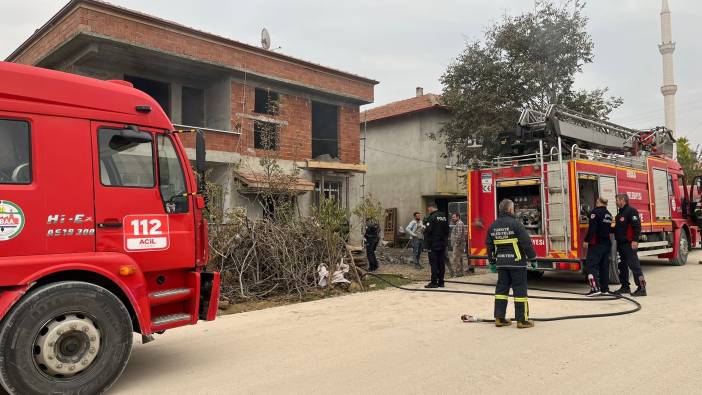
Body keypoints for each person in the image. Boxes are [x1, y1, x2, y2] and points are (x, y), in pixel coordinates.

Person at [486, 199, 537, 328]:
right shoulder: (516, 224)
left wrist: (492, 261)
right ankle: (522, 320)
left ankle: (499, 318)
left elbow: (489, 245)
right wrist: (533, 258)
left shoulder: (493, 226)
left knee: (501, 290)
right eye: (513, 208)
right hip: (517, 263)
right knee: (520, 290)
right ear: (510, 210)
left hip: (501, 263)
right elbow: (526, 243)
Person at [613, 194, 647, 296]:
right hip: (621, 244)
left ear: (622, 200)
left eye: (617, 200)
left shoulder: (631, 211)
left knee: (634, 266)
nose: (616, 202)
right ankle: (625, 287)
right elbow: (617, 229)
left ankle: (642, 288)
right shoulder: (619, 214)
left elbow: (637, 226)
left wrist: (635, 240)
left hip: (629, 244)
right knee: (622, 266)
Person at [583, 197, 613, 296]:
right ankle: (605, 289)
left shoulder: (595, 213)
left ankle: (595, 289)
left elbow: (592, 229)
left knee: (591, 266)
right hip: (607, 244)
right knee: (604, 267)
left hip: (597, 244)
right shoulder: (609, 214)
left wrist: (586, 240)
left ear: (598, 202)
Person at [423, 202, 450, 288]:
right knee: (441, 263)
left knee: (434, 264)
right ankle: (441, 282)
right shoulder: (443, 216)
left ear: (431, 208)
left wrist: (426, 245)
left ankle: (434, 282)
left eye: (428, 209)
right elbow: (447, 231)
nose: (428, 211)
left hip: (433, 245)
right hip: (442, 245)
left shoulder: (431, 217)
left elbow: (428, 231)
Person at [450, 213, 467, 277]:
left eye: (454, 217)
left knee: (456, 259)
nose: (452, 218)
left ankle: (457, 273)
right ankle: (460, 273)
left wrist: (456, 244)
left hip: (458, 245)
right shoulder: (458, 223)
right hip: (458, 244)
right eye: (452, 217)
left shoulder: (459, 223)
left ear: (458, 217)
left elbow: (459, 235)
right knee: (459, 259)